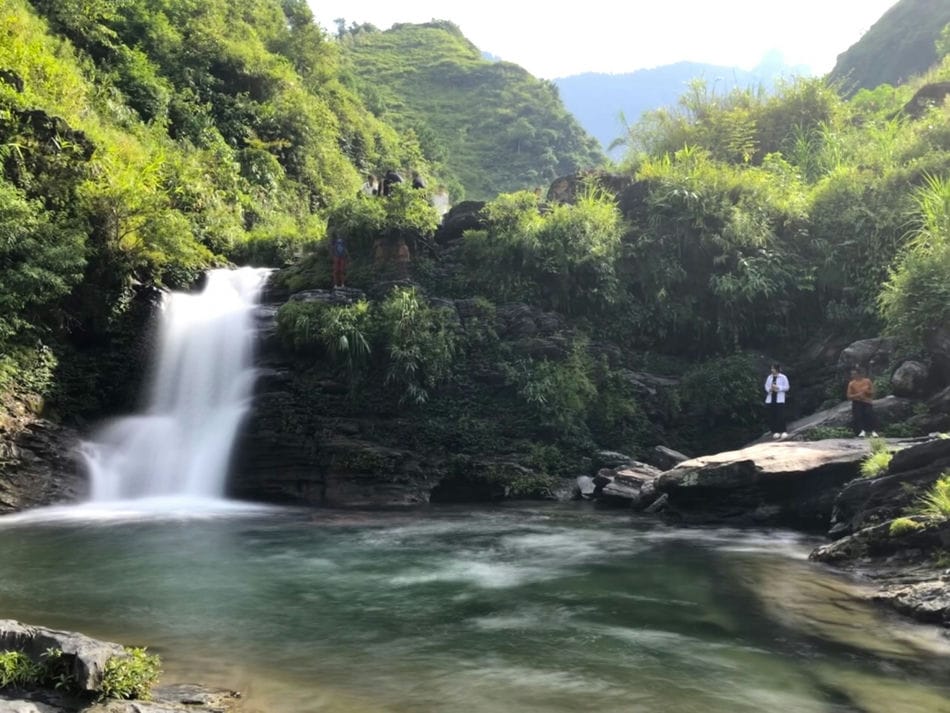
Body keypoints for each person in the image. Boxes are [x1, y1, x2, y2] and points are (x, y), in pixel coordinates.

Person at [846, 368, 878, 437]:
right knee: (858, 416)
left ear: (859, 374)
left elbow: (873, 392)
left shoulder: (867, 381)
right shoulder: (851, 383)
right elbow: (849, 396)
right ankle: (862, 431)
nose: (852, 375)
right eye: (852, 374)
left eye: (854, 374)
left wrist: (866, 391)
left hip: (867, 402)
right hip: (857, 402)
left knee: (869, 414)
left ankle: (873, 431)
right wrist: (858, 395)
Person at [764, 363, 789, 440]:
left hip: (780, 399)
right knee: (772, 415)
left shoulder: (783, 377)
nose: (772, 370)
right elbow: (766, 386)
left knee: (781, 415)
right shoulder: (769, 377)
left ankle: (783, 431)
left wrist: (778, 387)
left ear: (777, 369)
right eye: (771, 368)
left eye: (773, 368)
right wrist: (770, 389)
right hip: (771, 398)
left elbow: (787, 387)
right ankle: (776, 431)